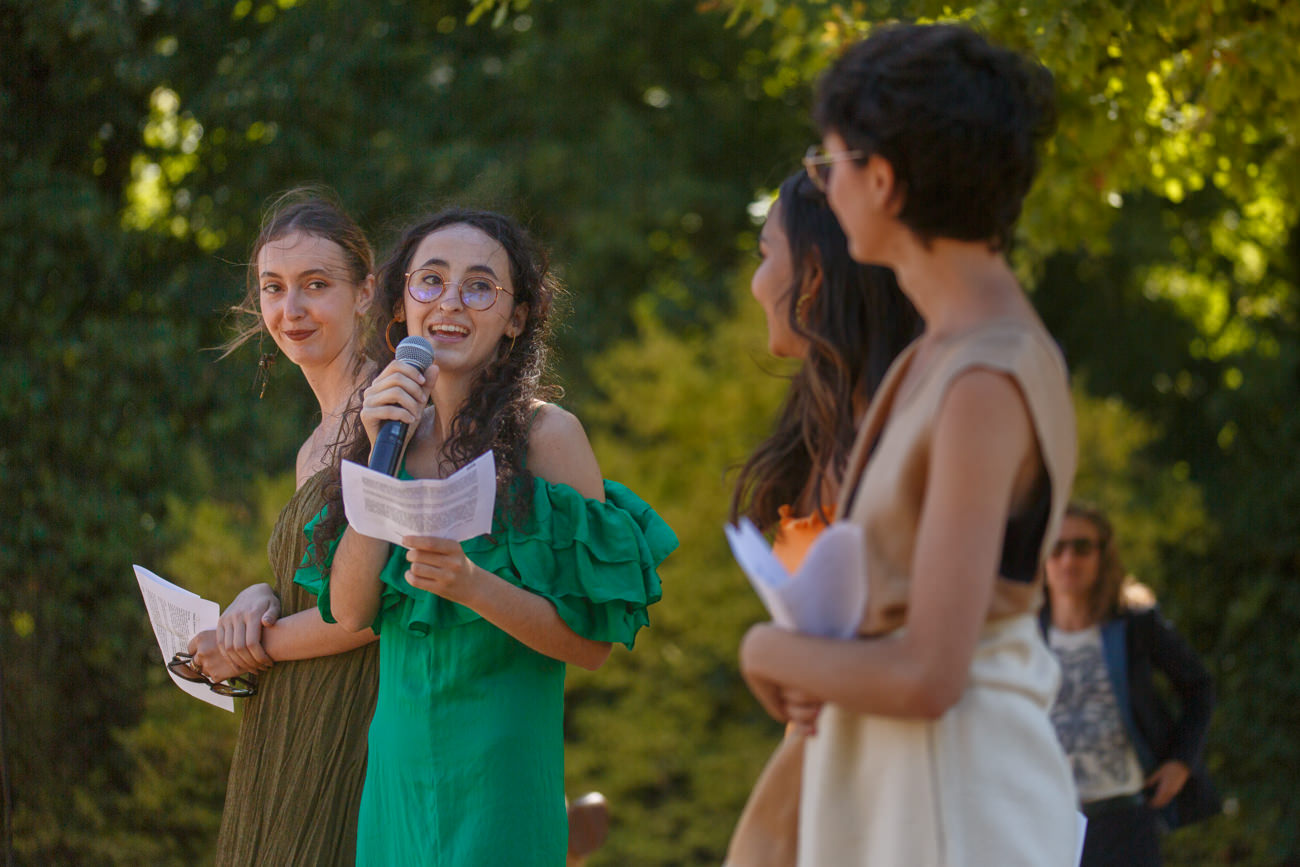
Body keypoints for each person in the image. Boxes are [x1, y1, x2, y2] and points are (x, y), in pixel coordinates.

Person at [738, 23, 1081, 866]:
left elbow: (930, 673)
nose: (826, 185)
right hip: (903, 793)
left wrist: (769, 648)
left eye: (831, 163)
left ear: (882, 180)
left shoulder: (982, 379)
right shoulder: (945, 353)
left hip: (953, 803)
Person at [294, 207, 677, 865]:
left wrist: (473, 586)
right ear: (402, 302)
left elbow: (591, 644)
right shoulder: (379, 433)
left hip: (501, 780)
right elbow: (352, 609)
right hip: (397, 779)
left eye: (479, 287)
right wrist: (374, 459)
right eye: (430, 281)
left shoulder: (547, 438)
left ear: (516, 317)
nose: (450, 302)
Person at [182, 187, 382, 865]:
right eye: (273, 288)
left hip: (350, 718)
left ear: (365, 292)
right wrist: (259, 597)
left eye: (315, 285)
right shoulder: (311, 445)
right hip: (285, 718)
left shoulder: (391, 416)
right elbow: (312, 582)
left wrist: (252, 645)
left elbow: (368, 609)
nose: (290, 310)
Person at [724, 170, 919, 866]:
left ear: (812, 276)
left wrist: (769, 653)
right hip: (818, 771)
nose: (755, 282)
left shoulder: (912, 426)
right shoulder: (819, 432)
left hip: (905, 786)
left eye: (762, 253)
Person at [1041, 502, 1220, 867]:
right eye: (1056, 548)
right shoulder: (1020, 634)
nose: (1068, 559)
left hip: (1124, 817)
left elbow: (1199, 687)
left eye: (1081, 546)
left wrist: (1181, 762)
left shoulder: (1136, 625)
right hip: (1042, 818)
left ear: (1103, 554)